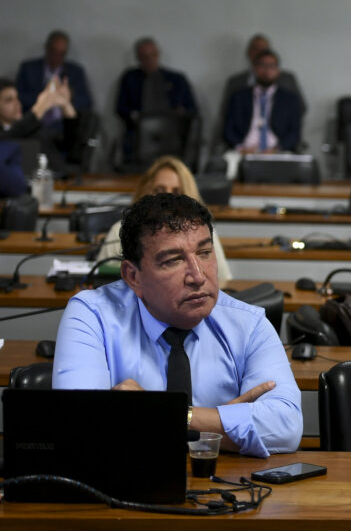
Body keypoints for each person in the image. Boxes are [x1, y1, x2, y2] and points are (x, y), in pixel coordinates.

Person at [53, 193, 301, 457]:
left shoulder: (248, 324)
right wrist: (224, 421)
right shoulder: (93, 315)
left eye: (205, 253)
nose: (197, 275)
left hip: (226, 489)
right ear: (133, 276)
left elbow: (286, 428)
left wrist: (168, 413)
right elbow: (80, 427)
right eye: (173, 260)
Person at [95, 156, 233, 286]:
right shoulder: (120, 230)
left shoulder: (204, 232)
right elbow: (100, 284)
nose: (167, 198)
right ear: (144, 192)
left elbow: (222, 282)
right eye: (159, 190)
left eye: (176, 191)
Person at [221, 49, 303, 176]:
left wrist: (276, 149)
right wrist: (241, 148)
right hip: (244, 151)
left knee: (291, 168)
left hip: (277, 152)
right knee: (227, 166)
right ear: (254, 69)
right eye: (262, 66)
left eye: (271, 66)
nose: (267, 70)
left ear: (278, 70)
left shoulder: (289, 99)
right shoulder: (238, 97)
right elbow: (228, 129)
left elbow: (294, 134)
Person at [115, 37, 198, 160]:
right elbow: (121, 108)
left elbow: (192, 109)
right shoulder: (130, 78)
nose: (150, 60)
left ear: (158, 55)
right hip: (139, 135)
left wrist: (181, 113)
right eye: (144, 57)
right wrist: (135, 116)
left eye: (153, 55)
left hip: (172, 135)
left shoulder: (177, 79)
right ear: (138, 58)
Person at [0, 75, 79, 191]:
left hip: (54, 190)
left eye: (17, 98)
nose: (17, 103)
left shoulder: (35, 130)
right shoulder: (15, 131)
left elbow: (70, 147)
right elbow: (8, 138)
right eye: (9, 100)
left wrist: (66, 106)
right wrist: (40, 107)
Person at [218, 33, 305, 137]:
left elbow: (299, 109)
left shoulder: (287, 79)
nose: (259, 53)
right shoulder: (236, 82)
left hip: (277, 140)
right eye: (255, 49)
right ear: (249, 53)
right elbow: (226, 114)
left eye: (263, 49)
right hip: (244, 140)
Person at [16, 30, 94, 118]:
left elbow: (87, 102)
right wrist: (46, 98)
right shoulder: (28, 69)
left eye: (61, 53)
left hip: (63, 125)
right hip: (34, 121)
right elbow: (17, 98)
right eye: (54, 51)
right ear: (47, 48)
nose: (57, 57)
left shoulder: (75, 72)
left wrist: (70, 95)